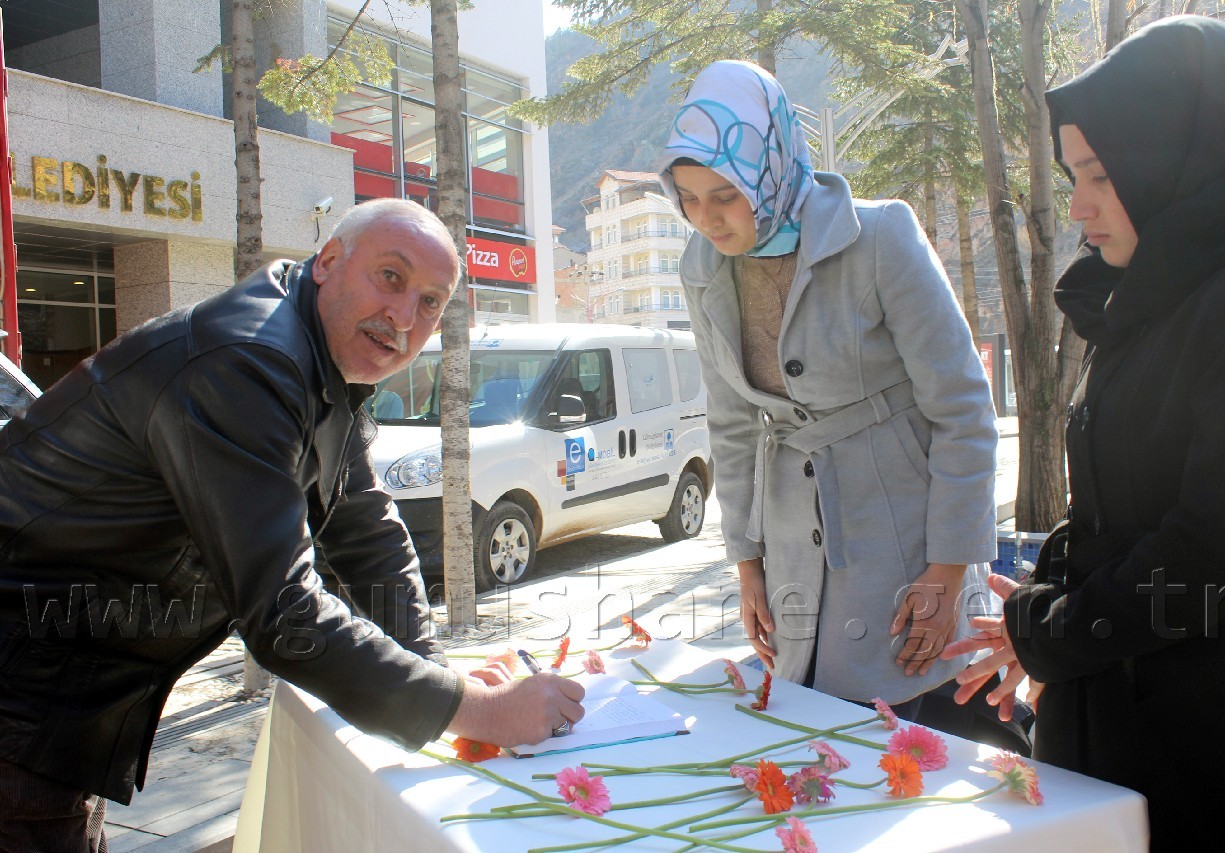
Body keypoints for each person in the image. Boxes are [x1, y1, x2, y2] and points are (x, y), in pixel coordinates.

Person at [0, 199, 584, 850]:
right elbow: (284, 615)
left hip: (60, 701)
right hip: (22, 697)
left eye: (429, 302)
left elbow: (367, 532)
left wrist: (437, 673)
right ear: (329, 260)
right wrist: (479, 710)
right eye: (390, 277)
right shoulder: (247, 362)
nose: (403, 316)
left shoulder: (318, 353)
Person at [941, 16, 1225, 850]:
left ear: (1176, 158)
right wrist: (1043, 602)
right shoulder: (1150, 296)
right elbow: (1119, 503)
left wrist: (1054, 632)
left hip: (1210, 750)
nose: (1079, 205)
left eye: (1100, 173)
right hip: (1119, 724)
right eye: (1071, 175)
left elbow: (1218, 550)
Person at [657, 61, 998, 720]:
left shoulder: (880, 237)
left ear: (770, 167)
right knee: (816, 736)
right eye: (688, 198)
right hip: (792, 543)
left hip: (905, 537)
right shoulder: (701, 269)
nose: (707, 219)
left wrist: (949, 570)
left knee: (921, 735)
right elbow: (731, 425)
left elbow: (962, 408)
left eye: (724, 194)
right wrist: (748, 564)